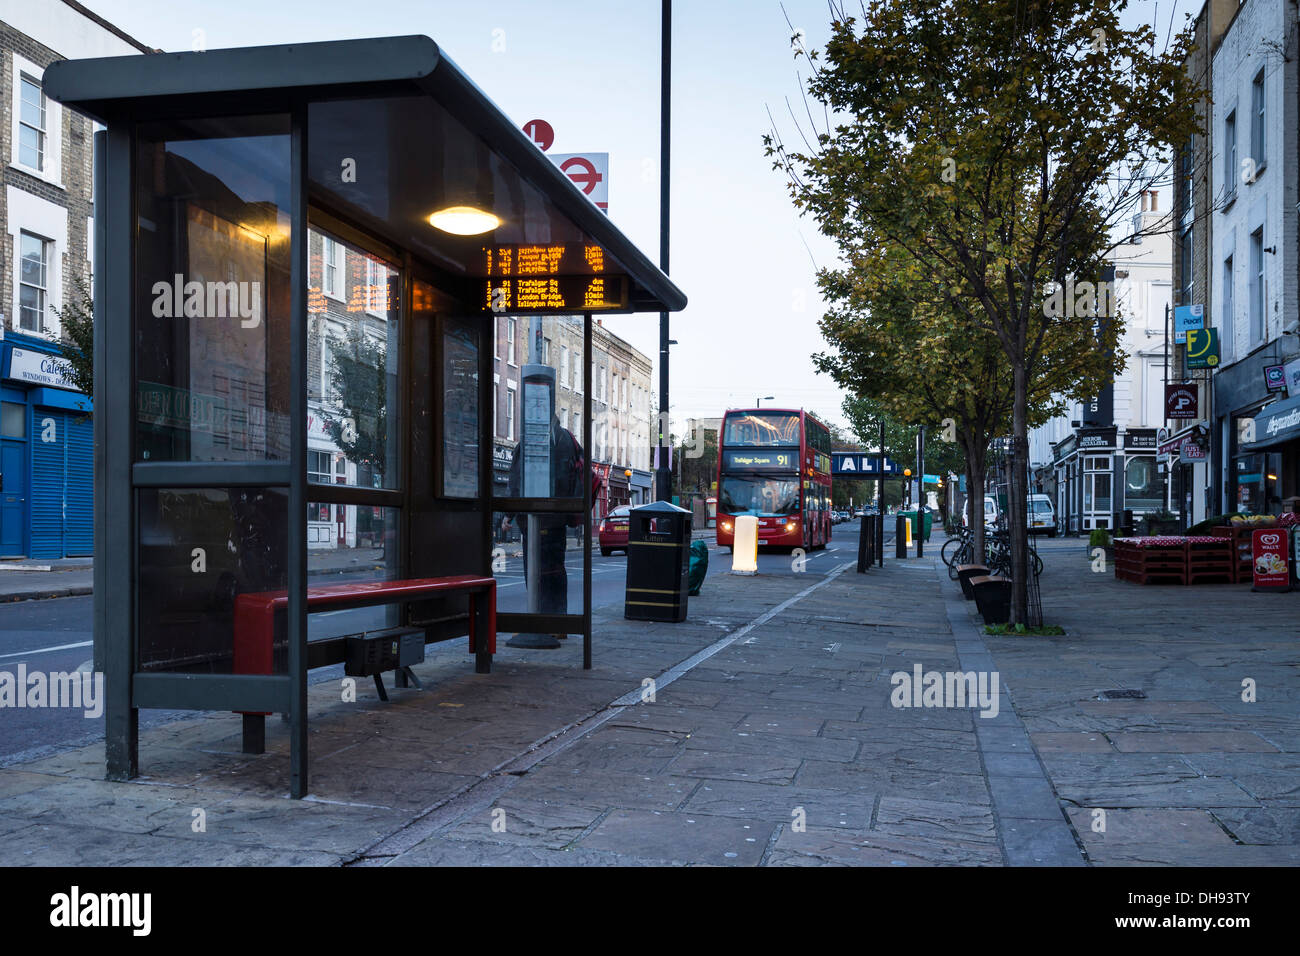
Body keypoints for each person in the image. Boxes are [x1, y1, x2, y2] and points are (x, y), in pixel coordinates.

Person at [506, 416, 586, 635]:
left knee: (534, 571)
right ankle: (558, 623)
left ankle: (536, 620)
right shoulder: (569, 439)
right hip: (558, 517)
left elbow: (516, 479)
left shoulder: (530, 440)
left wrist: (508, 514)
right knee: (555, 570)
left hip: (533, 517)